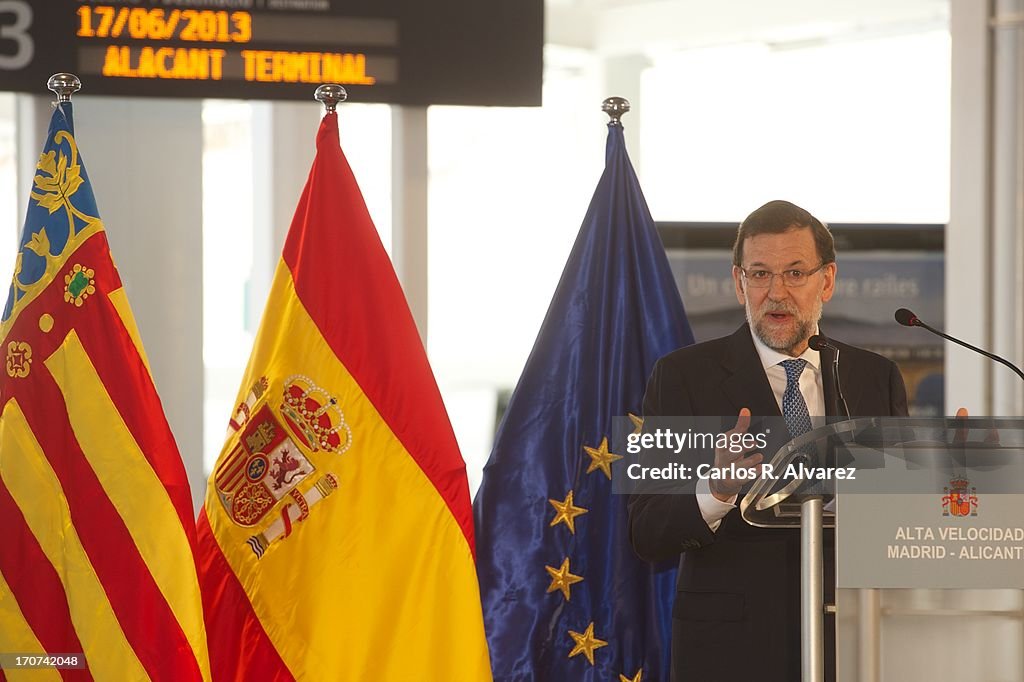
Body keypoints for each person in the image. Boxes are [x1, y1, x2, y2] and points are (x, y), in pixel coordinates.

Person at [627, 199, 909, 682]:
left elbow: (899, 517)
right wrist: (715, 492)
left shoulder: (873, 377)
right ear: (739, 283)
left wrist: (945, 471)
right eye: (760, 274)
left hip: (854, 640)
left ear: (828, 280)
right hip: (732, 648)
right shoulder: (684, 377)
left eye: (795, 273)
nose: (776, 291)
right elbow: (647, 530)